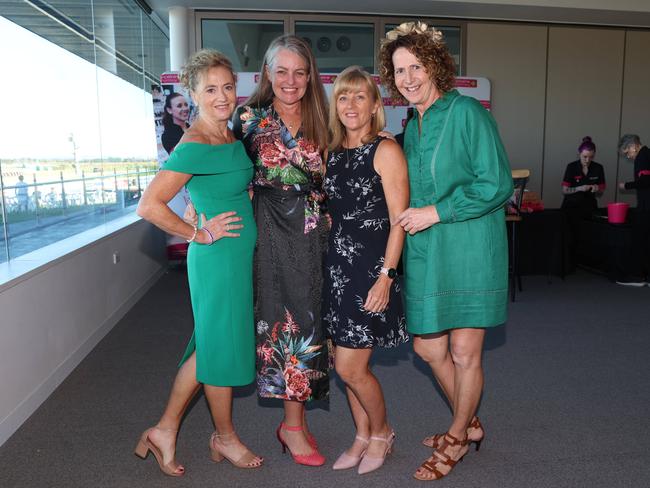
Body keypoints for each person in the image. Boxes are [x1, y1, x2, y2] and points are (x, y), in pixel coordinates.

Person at [379, 21, 513, 481]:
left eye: (416, 66)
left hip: (472, 247)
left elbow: (496, 184)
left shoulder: (468, 112)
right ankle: (470, 421)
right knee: (426, 346)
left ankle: (457, 437)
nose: (409, 78)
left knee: (462, 351)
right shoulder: (410, 126)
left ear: (434, 65)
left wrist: (437, 211)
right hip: (429, 251)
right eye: (399, 70)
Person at [134, 49, 262, 476]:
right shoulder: (194, 143)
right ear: (192, 94)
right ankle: (224, 439)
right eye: (211, 89)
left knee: (209, 346)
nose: (222, 96)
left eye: (228, 87)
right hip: (216, 259)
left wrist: (208, 205)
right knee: (221, 350)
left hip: (236, 257)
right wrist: (196, 232)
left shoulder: (229, 135)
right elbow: (149, 205)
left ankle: (164, 430)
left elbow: (228, 187)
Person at [232, 34, 329, 467]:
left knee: (309, 320)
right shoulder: (246, 119)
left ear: (310, 77)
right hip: (267, 234)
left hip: (314, 236)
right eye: (282, 70)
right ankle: (292, 427)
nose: (291, 80)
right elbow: (210, 162)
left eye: (300, 72)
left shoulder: (326, 119)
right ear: (266, 74)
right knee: (281, 321)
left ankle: (294, 420)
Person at [323, 66, 409, 474]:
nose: (351, 105)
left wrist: (387, 276)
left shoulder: (386, 150)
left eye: (360, 96)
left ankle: (383, 432)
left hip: (372, 272)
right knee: (345, 365)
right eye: (343, 97)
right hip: (337, 270)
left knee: (350, 367)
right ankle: (360, 436)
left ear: (375, 105)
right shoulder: (332, 154)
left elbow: (399, 219)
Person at [616, 134, 650, 286]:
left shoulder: (642, 157)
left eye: (627, 153)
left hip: (646, 206)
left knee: (639, 240)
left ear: (633, 146)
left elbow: (645, 181)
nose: (628, 157)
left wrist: (626, 185)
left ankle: (637, 276)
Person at [561, 136, 606, 215]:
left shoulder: (598, 168)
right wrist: (579, 188)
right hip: (571, 207)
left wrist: (597, 188)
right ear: (579, 153)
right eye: (585, 157)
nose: (587, 160)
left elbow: (601, 191)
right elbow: (565, 190)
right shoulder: (571, 167)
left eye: (591, 157)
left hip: (590, 207)